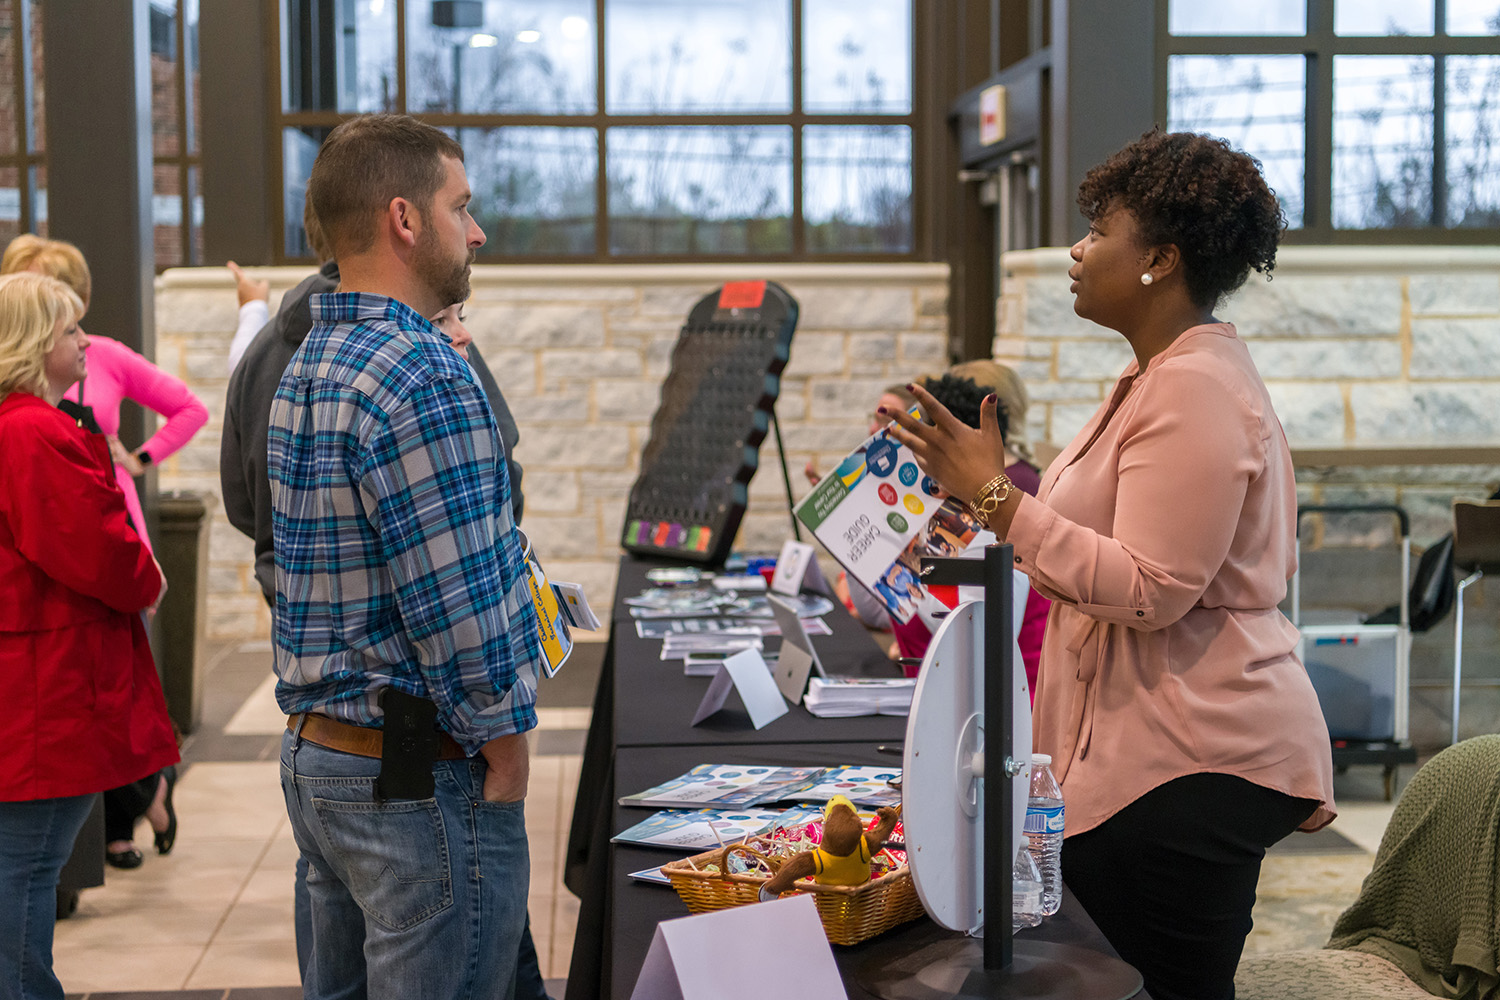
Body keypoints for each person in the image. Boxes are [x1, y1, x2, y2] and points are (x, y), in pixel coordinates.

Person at [883, 129, 1336, 1000]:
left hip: (1193, 759)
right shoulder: (1152, 376)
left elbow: (1150, 589)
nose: (1076, 250)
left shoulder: (1194, 386)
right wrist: (975, 504)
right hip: (1141, 752)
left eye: (1099, 231)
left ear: (1160, 259)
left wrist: (999, 500)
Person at [269, 113, 543, 999]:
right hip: (413, 777)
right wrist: (508, 748)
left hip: (323, 764)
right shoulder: (421, 371)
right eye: (460, 206)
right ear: (404, 219)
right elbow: (458, 609)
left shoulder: (313, 358)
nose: (477, 230)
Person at [0, 272, 179, 1000]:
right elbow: (91, 545)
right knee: (29, 866)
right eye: (72, 329)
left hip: (42, 670)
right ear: (36, 342)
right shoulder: (33, 430)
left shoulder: (27, 423)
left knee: (27, 864)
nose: (86, 341)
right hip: (48, 680)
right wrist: (147, 577)